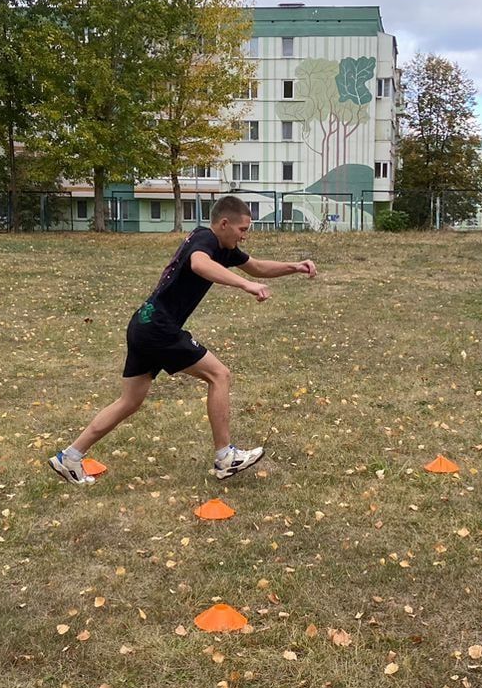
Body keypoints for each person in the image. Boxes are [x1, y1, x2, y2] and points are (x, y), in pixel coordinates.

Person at [50, 194, 316, 484]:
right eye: (243, 230)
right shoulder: (205, 239)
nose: (245, 236)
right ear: (224, 224)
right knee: (219, 375)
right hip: (159, 328)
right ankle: (225, 456)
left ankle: (70, 457)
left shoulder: (225, 248)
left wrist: (295, 266)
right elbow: (200, 265)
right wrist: (245, 285)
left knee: (129, 401)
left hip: (143, 323)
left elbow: (258, 267)